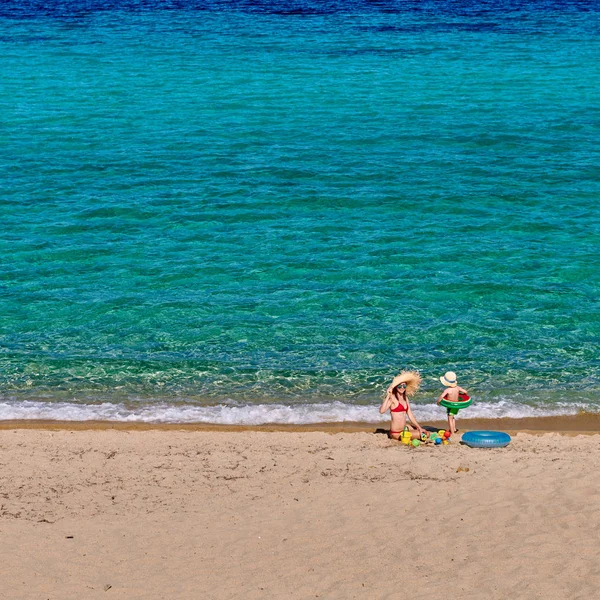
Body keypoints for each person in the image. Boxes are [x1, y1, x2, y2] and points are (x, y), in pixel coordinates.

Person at [379, 371, 426, 441]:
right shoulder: (392, 399)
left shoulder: (405, 398)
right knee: (425, 434)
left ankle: (414, 430)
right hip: (396, 432)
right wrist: (388, 395)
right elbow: (381, 411)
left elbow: (410, 415)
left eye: (404, 386)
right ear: (396, 387)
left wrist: (419, 427)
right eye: (399, 386)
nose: (402, 387)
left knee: (423, 431)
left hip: (404, 428)